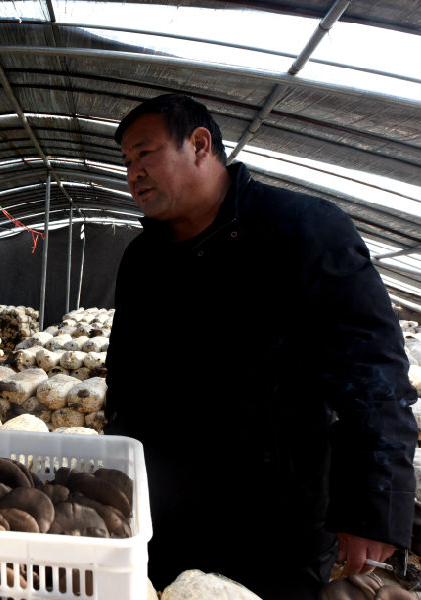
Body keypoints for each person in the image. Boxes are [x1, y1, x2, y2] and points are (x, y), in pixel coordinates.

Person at [104, 94, 417, 599]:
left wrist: (374, 505)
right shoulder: (143, 259)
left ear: (200, 145)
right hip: (164, 513)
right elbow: (125, 380)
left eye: (146, 153)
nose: (133, 172)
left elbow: (373, 372)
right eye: (127, 162)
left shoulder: (302, 230)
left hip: (275, 521)